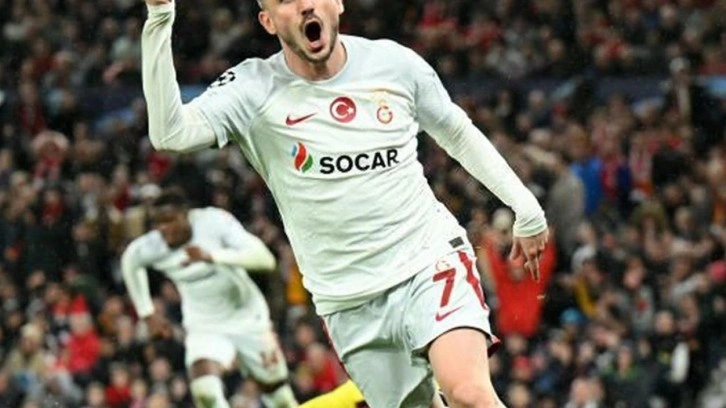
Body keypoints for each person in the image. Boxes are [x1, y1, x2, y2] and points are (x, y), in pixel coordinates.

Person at [140, 0, 549, 406]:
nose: (304, 6)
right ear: (268, 21)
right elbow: (170, 135)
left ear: (337, 3)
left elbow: (456, 132)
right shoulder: (252, 88)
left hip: (427, 260)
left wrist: (525, 207)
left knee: (468, 393)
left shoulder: (394, 65)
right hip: (347, 300)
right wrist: (160, 17)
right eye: (285, 1)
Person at [121, 189, 298, 408]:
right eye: (158, 223)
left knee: (280, 398)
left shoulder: (213, 222)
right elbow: (130, 261)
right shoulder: (153, 245)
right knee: (205, 392)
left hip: (247, 316)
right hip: (204, 324)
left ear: (186, 215)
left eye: (169, 220)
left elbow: (265, 260)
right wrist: (146, 314)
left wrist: (213, 256)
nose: (163, 228)